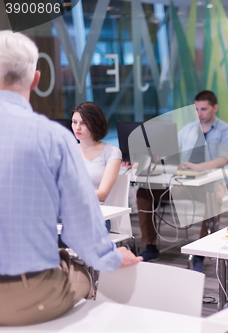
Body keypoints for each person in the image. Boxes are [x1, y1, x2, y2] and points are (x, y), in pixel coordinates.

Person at [0, 30, 141, 326]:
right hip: (25, 293)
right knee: (85, 275)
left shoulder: (105, 151)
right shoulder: (51, 138)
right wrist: (113, 258)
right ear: (36, 80)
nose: (77, 127)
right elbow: (82, 231)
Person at [137, 90, 228, 270]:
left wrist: (198, 167)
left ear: (215, 107)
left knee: (214, 196)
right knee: (144, 192)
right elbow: (172, 152)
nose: (199, 113)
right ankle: (150, 246)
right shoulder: (188, 129)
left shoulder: (225, 130)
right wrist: (158, 157)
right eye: (196, 109)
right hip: (185, 183)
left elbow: (224, 159)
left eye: (203, 109)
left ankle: (201, 252)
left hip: (211, 182)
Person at [71, 102, 122, 204]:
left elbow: (102, 194)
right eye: (74, 122)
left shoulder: (111, 152)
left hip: (98, 214)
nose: (77, 127)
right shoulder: (68, 151)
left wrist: (69, 198)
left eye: (83, 123)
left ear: (95, 124)